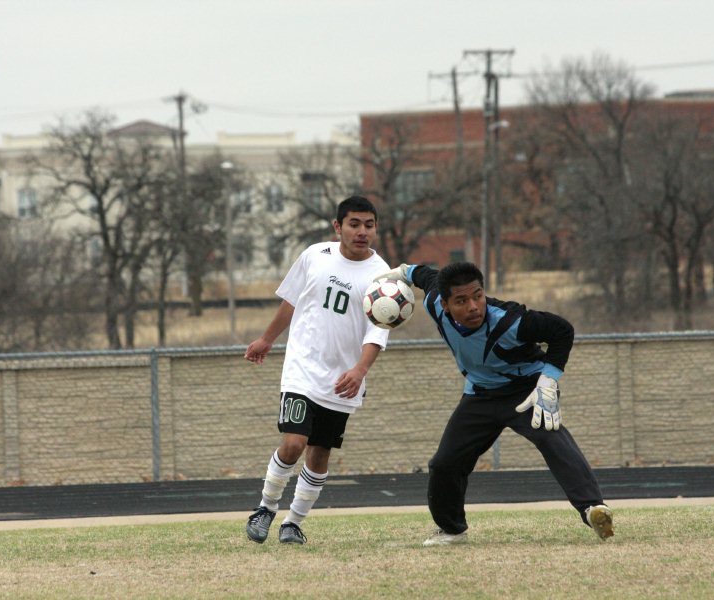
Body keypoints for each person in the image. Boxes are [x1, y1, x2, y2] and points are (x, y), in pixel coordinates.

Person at [374, 261, 614, 546]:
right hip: (480, 394)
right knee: (444, 463)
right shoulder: (433, 301)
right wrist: (402, 272)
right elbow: (422, 275)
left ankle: (592, 509)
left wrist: (548, 380)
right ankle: (452, 530)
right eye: (461, 301)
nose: (474, 306)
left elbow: (562, 331)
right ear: (445, 304)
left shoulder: (511, 321)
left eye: (478, 295)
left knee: (552, 440)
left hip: (527, 391)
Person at [243, 195, 391, 545]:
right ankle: (265, 507)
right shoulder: (314, 256)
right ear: (338, 227)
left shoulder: (382, 276)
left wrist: (359, 370)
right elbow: (291, 300)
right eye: (354, 224)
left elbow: (378, 330)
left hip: (343, 380)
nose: (362, 232)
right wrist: (267, 339)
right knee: (293, 443)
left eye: (368, 225)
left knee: (320, 453)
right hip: (302, 369)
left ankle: (293, 522)